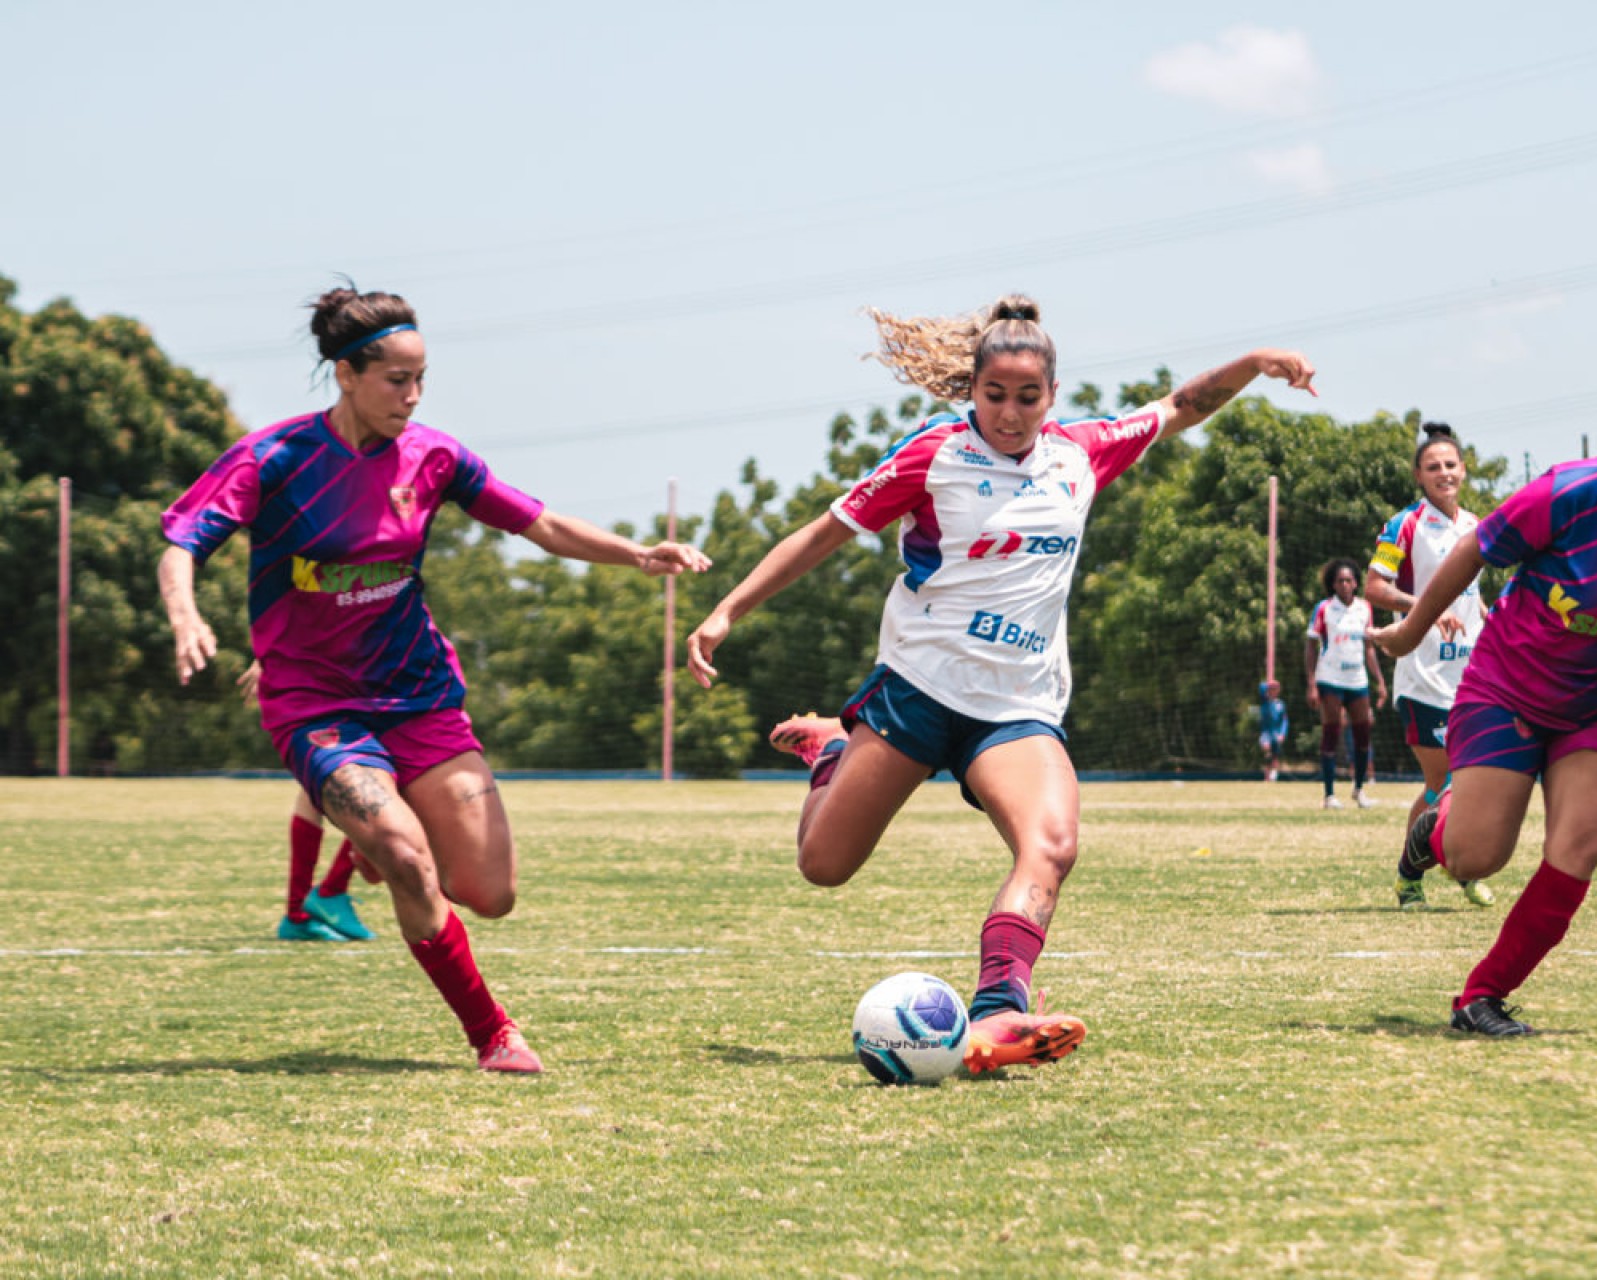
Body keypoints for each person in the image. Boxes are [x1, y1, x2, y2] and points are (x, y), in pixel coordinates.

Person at [686, 295, 1315, 1073]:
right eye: (994, 395)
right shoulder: (933, 455)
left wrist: (1255, 363)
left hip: (1017, 707)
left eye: (1027, 397)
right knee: (824, 865)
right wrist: (727, 611)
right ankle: (834, 754)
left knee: (1051, 846)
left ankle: (997, 1012)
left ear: (1053, 395)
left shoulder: (1082, 453)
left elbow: (1181, 406)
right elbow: (824, 535)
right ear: (972, 390)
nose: (1010, 413)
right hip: (917, 690)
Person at [159, 285, 709, 1073]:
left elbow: (541, 522)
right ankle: (494, 1034)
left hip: (419, 696)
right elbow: (182, 544)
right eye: (396, 380)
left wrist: (637, 554)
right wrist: (185, 616)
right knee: (408, 859)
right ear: (346, 375)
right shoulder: (275, 459)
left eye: (421, 379)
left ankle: (378, 846)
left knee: (490, 893)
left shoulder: (434, 457)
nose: (412, 396)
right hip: (315, 706)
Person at [1370, 388, 1597, 1036]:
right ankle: (1437, 830)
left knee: (1577, 852)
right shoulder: (1569, 492)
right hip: (1507, 685)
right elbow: (1475, 550)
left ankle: (1481, 997)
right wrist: (1410, 631)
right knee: (1476, 859)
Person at [1366, 423, 1495, 910]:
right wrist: (1425, 608)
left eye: (1450, 464)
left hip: (1473, 678)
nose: (1444, 473)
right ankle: (1410, 878)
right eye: (1433, 466)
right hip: (1424, 679)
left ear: (1463, 470)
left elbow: (1471, 592)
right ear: (1418, 476)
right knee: (1444, 786)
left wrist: (1490, 621)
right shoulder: (1404, 524)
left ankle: (1462, 865)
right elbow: (1375, 587)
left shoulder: (1476, 526)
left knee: (1475, 784)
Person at [240, 661, 376, 942]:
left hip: (336, 672)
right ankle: (327, 894)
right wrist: (267, 657)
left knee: (318, 784)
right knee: (381, 781)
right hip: (329, 674)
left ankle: (301, 910)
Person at [1304, 558, 1385, 809]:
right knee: (1331, 731)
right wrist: (1311, 683)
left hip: (1357, 679)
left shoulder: (1364, 608)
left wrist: (1380, 681)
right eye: (1340, 580)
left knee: (1362, 734)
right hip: (1330, 678)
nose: (1345, 584)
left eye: (1349, 580)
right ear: (1333, 584)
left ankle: (1359, 790)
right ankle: (1329, 795)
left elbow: (1369, 648)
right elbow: (1311, 645)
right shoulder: (1324, 609)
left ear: (1356, 583)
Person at [1255, 680, 1289, 782]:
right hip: (1266, 732)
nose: (1273, 691)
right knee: (1267, 749)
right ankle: (1266, 776)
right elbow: (1261, 687)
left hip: (1276, 733)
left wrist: (1282, 734)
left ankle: (1273, 775)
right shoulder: (1264, 701)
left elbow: (1284, 721)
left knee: (1275, 755)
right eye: (1271, 689)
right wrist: (1268, 683)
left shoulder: (1280, 704)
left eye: (1275, 689)